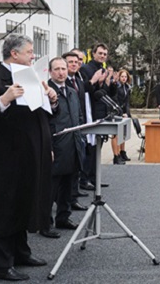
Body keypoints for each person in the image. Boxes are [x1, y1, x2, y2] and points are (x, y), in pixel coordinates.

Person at [0, 34, 57, 281]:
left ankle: (21, 252)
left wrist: (52, 99)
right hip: (7, 156)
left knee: (25, 202)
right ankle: (1, 265)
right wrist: (4, 99)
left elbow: (43, 116)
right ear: (14, 54)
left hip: (32, 153)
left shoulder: (32, 76)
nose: (33, 56)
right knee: (5, 206)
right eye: (30, 51)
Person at [46, 57, 84, 234]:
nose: (61, 72)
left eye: (63, 68)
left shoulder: (72, 91)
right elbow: (44, 122)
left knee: (68, 186)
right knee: (50, 188)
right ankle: (45, 223)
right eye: (57, 69)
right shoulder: (45, 91)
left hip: (73, 144)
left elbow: (79, 116)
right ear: (50, 72)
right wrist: (48, 146)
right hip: (56, 144)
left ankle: (63, 217)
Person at [78, 44, 115, 188]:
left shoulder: (103, 69)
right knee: (90, 147)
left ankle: (94, 177)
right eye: (100, 53)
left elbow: (105, 92)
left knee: (97, 148)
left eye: (105, 54)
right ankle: (85, 178)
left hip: (101, 111)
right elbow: (87, 91)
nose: (102, 56)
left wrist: (109, 83)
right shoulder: (86, 69)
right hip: (90, 111)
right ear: (93, 53)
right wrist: (96, 82)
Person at [62, 52, 89, 210]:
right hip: (64, 133)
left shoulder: (78, 81)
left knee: (75, 166)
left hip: (78, 127)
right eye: (70, 62)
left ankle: (72, 198)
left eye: (76, 62)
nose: (74, 64)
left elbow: (80, 107)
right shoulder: (59, 82)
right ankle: (62, 202)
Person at [111, 69, 132, 164]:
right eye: (122, 76)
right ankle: (116, 155)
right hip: (116, 112)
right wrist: (120, 113)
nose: (124, 78)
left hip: (124, 113)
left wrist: (127, 113)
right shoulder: (116, 87)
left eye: (125, 77)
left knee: (123, 134)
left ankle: (122, 152)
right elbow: (115, 101)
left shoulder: (127, 87)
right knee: (116, 135)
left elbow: (127, 102)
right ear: (119, 77)